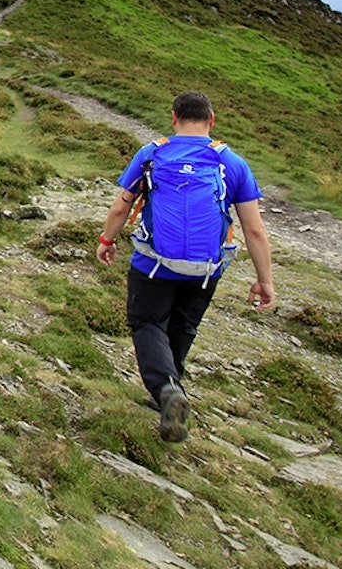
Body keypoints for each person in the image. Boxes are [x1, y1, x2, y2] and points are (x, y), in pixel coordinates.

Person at [96, 91, 275, 442]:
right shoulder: (232, 163)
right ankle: (168, 390)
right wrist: (264, 280)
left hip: (153, 264)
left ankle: (165, 390)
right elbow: (254, 229)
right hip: (206, 269)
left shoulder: (151, 154)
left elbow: (121, 207)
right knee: (183, 323)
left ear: (174, 117)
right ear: (211, 121)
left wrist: (106, 240)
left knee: (147, 322)